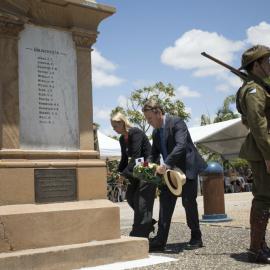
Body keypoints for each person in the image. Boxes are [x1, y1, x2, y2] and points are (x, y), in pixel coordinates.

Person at [142, 99, 207, 251]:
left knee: (188, 202)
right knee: (165, 202)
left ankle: (196, 237)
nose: (149, 122)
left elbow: (181, 146)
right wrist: (147, 165)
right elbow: (153, 154)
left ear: (158, 113)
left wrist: (166, 164)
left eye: (150, 118)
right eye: (147, 119)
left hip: (187, 169)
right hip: (170, 172)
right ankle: (160, 240)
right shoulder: (156, 132)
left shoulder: (177, 122)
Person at [237, 45, 270, 263]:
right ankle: (255, 249)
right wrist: (269, 155)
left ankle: (260, 245)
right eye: (267, 61)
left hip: (263, 149)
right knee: (264, 198)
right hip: (262, 151)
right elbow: (258, 124)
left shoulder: (259, 87)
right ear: (256, 65)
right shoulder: (253, 90)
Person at [110, 112, 156, 238]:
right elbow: (125, 158)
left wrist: (124, 174)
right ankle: (147, 221)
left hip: (148, 167)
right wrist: (119, 173)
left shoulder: (135, 132)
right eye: (112, 127)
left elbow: (136, 156)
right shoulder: (121, 139)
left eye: (115, 126)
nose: (114, 129)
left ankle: (139, 233)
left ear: (122, 123)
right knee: (130, 197)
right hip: (137, 169)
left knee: (140, 200)